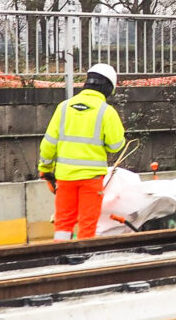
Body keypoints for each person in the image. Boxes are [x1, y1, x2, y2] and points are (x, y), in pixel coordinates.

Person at [38, 63, 126, 240]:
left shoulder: (63, 108)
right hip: (91, 180)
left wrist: (45, 169)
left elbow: (48, 144)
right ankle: (83, 260)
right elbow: (116, 146)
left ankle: (60, 257)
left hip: (65, 178)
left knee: (63, 223)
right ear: (109, 88)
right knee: (87, 224)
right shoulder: (106, 112)